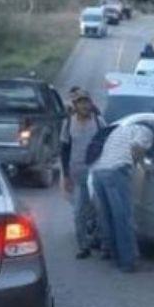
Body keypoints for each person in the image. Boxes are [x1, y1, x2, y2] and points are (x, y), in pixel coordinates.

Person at [92, 121, 154, 272]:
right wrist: (145, 167)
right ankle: (128, 262)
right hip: (116, 171)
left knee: (108, 217)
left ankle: (114, 256)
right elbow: (137, 147)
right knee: (123, 218)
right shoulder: (146, 131)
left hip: (99, 171)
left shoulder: (120, 130)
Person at [60, 89, 105, 259]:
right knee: (79, 212)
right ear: (75, 105)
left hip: (96, 172)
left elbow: (106, 143)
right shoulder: (69, 123)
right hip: (77, 174)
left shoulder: (99, 122)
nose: (84, 105)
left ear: (91, 103)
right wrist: (65, 176)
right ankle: (83, 246)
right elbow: (64, 149)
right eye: (80, 102)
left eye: (86, 101)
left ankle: (102, 243)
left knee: (100, 210)